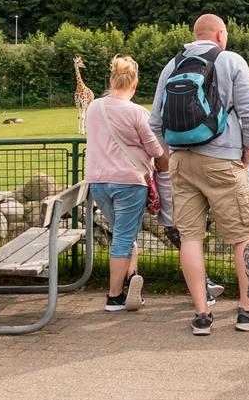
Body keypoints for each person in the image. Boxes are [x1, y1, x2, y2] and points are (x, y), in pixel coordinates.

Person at [149, 14, 249, 336]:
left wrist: (174, 152)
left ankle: (201, 315)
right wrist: (247, 153)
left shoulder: (172, 65)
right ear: (221, 34)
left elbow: (155, 123)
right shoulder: (231, 60)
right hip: (223, 161)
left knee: (190, 236)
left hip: (181, 162)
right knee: (245, 233)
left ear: (195, 35)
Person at [85, 55, 163, 312]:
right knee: (123, 236)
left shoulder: (94, 107)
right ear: (135, 82)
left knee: (122, 233)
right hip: (129, 181)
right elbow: (154, 148)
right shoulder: (137, 112)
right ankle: (114, 296)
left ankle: (132, 279)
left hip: (98, 181)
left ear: (111, 79)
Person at [155, 168, 224, 306]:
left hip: (174, 191)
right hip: (177, 190)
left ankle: (204, 288)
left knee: (185, 240)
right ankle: (204, 286)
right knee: (186, 239)